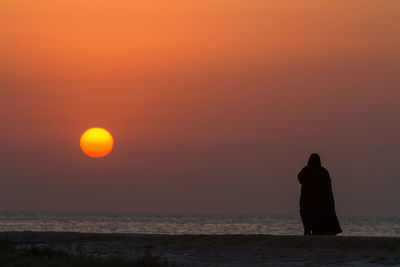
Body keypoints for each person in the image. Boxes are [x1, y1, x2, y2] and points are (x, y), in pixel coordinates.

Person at [298, 153, 342, 235]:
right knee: (315, 217)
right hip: (316, 201)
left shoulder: (307, 171)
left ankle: (309, 231)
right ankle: (311, 231)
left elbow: (300, 178)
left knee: (311, 217)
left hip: (312, 201)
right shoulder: (322, 172)